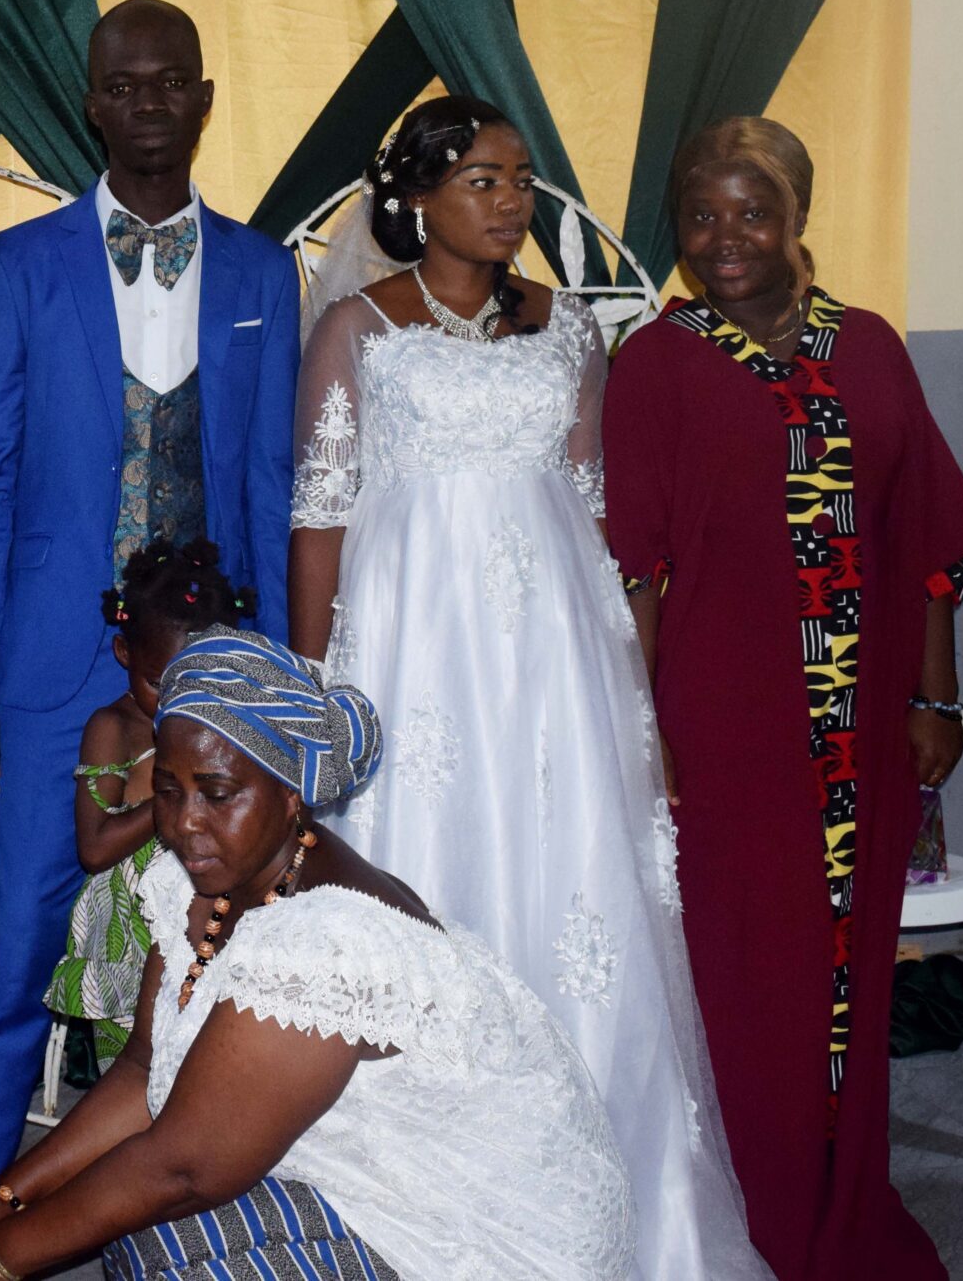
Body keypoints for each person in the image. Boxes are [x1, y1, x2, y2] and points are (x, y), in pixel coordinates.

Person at [286, 95, 762, 1280]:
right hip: (413, 647)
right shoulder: (357, 328)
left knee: (578, 885)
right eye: (483, 181)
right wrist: (310, 694)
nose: (510, 204)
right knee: (430, 869)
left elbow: (593, 511)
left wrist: (627, 684)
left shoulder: (570, 329)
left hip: (553, 652)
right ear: (416, 199)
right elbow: (320, 516)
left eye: (520, 181)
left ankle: (615, 1192)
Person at [604, 117, 963, 1281]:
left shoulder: (866, 345)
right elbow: (634, 569)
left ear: (797, 219)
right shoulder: (657, 361)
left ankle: (842, 1195)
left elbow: (925, 536)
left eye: (751, 212)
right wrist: (644, 728)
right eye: (700, 216)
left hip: (862, 722)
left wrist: (937, 700)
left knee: (848, 969)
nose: (723, 238)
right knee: (747, 973)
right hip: (724, 720)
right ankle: (756, 1215)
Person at [0, 626, 634, 1281]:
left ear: (292, 794)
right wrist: (1, 1203)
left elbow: (182, 1166)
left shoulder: (327, 943)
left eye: (218, 793)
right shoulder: (204, 879)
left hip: (492, 1234)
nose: (185, 823)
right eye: (168, 790)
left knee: (165, 1238)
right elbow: (144, 1067)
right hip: (377, 1180)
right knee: (133, 1229)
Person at [0, 0, 302, 1188]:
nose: (149, 102)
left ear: (204, 99)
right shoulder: (15, 266)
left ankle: (192, 1195)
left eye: (170, 81)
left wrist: (281, 673)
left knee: (225, 943)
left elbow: (269, 483)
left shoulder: (262, 270)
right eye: (125, 84)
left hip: (215, 672)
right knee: (19, 942)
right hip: (52, 664)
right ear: (92, 103)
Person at [42, 538, 243, 1069]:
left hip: (201, 916)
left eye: (194, 681)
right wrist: (173, 792)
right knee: (135, 1067)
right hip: (128, 930)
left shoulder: (222, 727)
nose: (176, 699)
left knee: (199, 1060)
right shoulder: (115, 729)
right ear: (124, 654)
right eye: (159, 682)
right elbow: (94, 849)